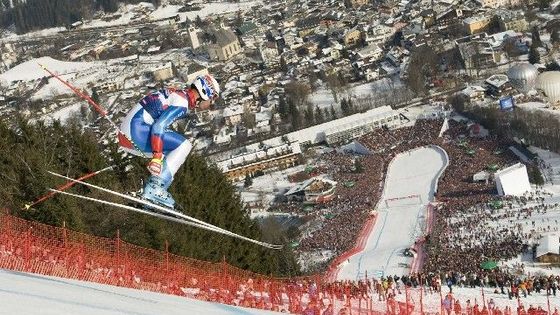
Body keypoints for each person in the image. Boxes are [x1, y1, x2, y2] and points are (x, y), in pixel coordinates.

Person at [118, 74, 220, 208]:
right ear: (204, 92)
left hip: (129, 134)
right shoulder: (182, 102)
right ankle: (155, 189)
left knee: (171, 156)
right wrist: (156, 156)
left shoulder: (179, 95)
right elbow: (159, 126)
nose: (211, 103)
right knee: (184, 146)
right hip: (135, 131)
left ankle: (150, 198)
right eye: (212, 99)